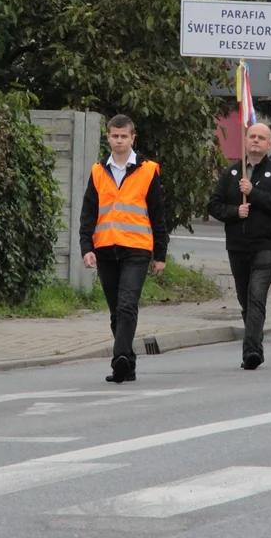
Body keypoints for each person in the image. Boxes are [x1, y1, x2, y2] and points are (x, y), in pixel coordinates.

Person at [79, 115, 168, 383]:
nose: (118, 141)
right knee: (117, 310)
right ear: (108, 137)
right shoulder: (98, 170)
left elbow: (157, 214)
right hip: (106, 249)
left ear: (132, 138)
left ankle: (118, 356)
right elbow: (88, 214)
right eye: (114, 136)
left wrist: (160, 255)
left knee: (128, 304)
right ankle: (127, 363)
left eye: (123, 136)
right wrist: (87, 247)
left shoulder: (148, 169)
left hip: (137, 249)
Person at [209, 123, 271, 370]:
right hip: (238, 246)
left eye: (261, 138)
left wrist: (253, 194)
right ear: (245, 142)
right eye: (252, 137)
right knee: (245, 299)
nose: (255, 141)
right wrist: (235, 211)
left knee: (257, 296)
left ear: (270, 145)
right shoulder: (231, 173)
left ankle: (251, 352)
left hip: (266, 245)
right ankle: (256, 340)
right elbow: (214, 205)